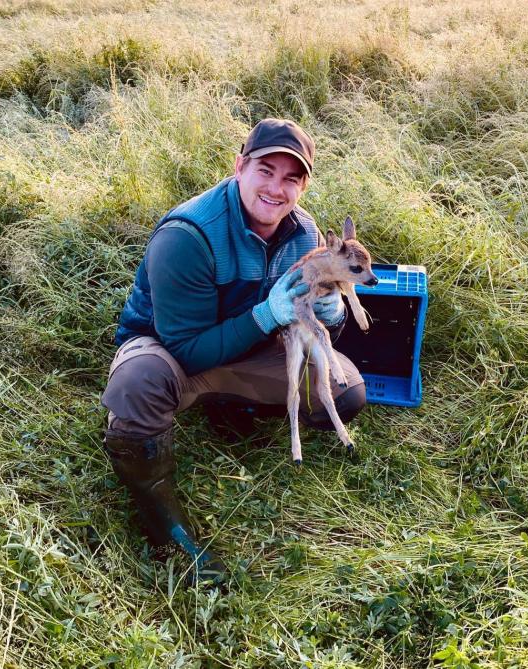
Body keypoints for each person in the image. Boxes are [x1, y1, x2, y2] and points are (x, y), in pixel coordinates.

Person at [101, 118, 367, 583]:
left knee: (344, 392)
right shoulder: (188, 236)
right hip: (172, 350)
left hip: (243, 347)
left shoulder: (305, 236)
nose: (276, 189)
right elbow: (186, 347)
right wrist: (267, 315)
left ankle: (227, 410)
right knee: (137, 386)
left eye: (292, 178)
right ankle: (168, 532)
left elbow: (314, 329)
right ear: (239, 165)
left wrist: (331, 314)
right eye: (266, 170)